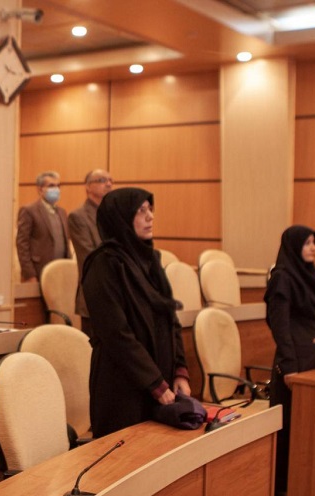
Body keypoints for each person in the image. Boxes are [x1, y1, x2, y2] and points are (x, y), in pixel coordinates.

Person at [82, 187, 190, 438]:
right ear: (121, 217)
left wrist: (179, 370)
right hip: (122, 388)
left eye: (150, 209)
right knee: (125, 456)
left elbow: (170, 318)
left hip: (160, 382)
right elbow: (116, 334)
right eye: (141, 211)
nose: (150, 216)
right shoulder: (103, 264)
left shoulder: (150, 260)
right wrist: (155, 383)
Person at [264, 225, 315, 496]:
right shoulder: (282, 277)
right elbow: (280, 326)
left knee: (309, 427)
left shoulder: (311, 275)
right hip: (294, 363)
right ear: (294, 246)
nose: (314, 247)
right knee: (288, 428)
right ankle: (281, 488)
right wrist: (289, 365)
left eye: (314, 242)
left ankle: (304, 483)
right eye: (308, 243)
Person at [68, 169, 113, 335]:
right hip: (96, 292)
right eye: (102, 180)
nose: (108, 184)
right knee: (93, 346)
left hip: (118, 292)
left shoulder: (114, 214)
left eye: (110, 180)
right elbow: (91, 257)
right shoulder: (78, 216)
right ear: (88, 187)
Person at [16, 171, 70, 283]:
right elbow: (22, 245)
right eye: (51, 186)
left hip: (61, 272)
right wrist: (30, 275)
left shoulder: (62, 212)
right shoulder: (29, 211)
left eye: (58, 186)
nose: (56, 189)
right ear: (40, 189)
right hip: (39, 272)